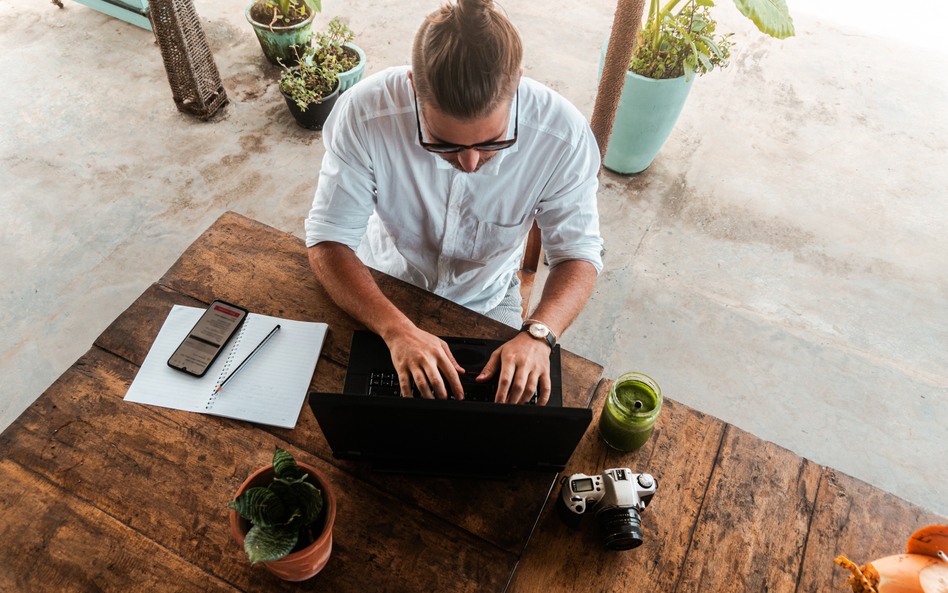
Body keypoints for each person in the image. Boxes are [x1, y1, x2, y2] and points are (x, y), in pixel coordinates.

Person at [305, 0, 603, 406]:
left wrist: (539, 334)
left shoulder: (563, 136)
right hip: (382, 282)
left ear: (516, 82)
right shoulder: (365, 113)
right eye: (441, 143)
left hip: (488, 299)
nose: (469, 162)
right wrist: (396, 330)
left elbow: (579, 254)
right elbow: (328, 241)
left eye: (492, 143)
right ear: (414, 87)